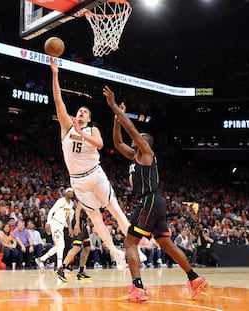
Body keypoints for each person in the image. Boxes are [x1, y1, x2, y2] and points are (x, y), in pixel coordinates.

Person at [103, 85, 208, 302]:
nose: (135, 139)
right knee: (166, 244)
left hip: (149, 199)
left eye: (139, 137)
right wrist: (116, 119)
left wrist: (114, 107)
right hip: (155, 201)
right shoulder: (134, 155)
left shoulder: (147, 153)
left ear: (145, 142)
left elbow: (131, 130)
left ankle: (138, 287)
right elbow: (117, 142)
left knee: (130, 243)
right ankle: (194, 278)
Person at [49, 58, 145, 271]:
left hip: (95, 174)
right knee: (95, 218)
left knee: (115, 209)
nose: (81, 112)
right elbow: (58, 100)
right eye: (79, 111)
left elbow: (100, 145)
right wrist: (55, 74)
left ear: (89, 118)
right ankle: (116, 252)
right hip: (78, 182)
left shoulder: (92, 130)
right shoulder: (66, 127)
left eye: (85, 111)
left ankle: (135, 247)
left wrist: (81, 131)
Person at [35, 187, 74, 271]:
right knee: (61, 245)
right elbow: (51, 211)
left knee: (59, 246)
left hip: (61, 225)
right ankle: (60, 266)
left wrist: (70, 227)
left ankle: (41, 259)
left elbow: (66, 216)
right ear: (66, 193)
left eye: (72, 192)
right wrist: (48, 223)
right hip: (55, 223)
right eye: (69, 191)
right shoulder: (61, 201)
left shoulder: (71, 203)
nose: (70, 193)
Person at [55, 203, 92, 282]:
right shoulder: (85, 196)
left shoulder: (95, 199)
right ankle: (61, 269)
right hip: (78, 223)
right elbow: (78, 209)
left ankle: (81, 271)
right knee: (76, 247)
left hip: (83, 223)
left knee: (87, 247)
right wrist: (77, 225)